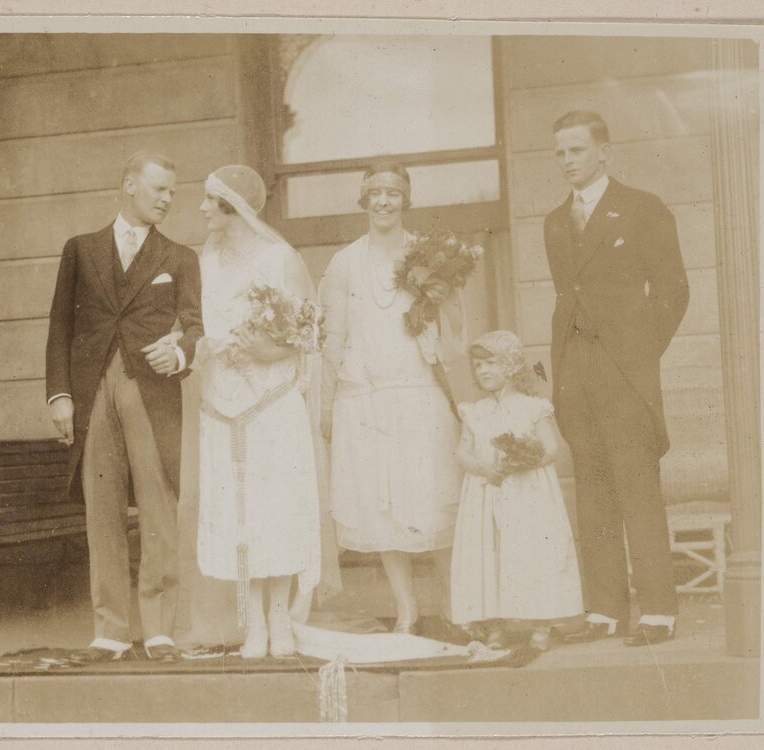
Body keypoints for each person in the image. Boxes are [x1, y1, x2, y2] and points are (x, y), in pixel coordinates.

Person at [44, 151, 204, 662]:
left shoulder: (179, 257)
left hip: (151, 393)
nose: (166, 200)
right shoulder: (81, 250)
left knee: (158, 506)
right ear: (129, 184)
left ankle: (158, 629)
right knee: (102, 509)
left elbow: (195, 326)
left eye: (172, 194)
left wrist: (178, 352)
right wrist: (61, 395)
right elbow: (60, 328)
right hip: (92, 393)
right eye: (158, 189)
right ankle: (110, 631)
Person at [545, 111, 689, 647]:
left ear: (603, 152)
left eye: (577, 151)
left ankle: (657, 612)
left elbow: (673, 291)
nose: (567, 161)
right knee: (593, 489)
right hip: (575, 370)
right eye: (559, 152)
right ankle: (604, 610)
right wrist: (559, 372)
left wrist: (638, 353)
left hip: (624, 369)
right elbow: (568, 298)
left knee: (636, 487)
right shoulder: (555, 222)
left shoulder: (642, 208)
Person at [319, 162, 462, 634]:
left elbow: (452, 333)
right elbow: (333, 337)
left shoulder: (429, 256)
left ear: (405, 200)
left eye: (393, 193)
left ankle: (455, 602)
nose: (383, 201)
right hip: (365, 399)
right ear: (364, 199)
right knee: (382, 509)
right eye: (375, 192)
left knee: (433, 500)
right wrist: (325, 405)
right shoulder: (344, 263)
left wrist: (439, 301)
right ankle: (407, 608)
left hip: (418, 392)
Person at [192, 165, 322, 659]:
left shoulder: (279, 258)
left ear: (233, 206)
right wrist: (204, 347)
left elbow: (312, 330)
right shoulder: (206, 265)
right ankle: (253, 625)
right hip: (223, 402)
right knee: (239, 513)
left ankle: (279, 619)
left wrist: (271, 352)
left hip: (271, 399)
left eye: (210, 200)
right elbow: (196, 325)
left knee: (277, 507)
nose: (203, 209)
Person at [451, 330, 582, 651]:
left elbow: (551, 448)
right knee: (490, 552)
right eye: (478, 365)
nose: (482, 371)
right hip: (486, 491)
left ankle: (542, 622)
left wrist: (526, 458)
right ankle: (494, 623)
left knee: (530, 551)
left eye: (490, 363)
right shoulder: (474, 411)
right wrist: (483, 468)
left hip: (528, 494)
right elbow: (462, 452)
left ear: (510, 366)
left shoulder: (531, 407)